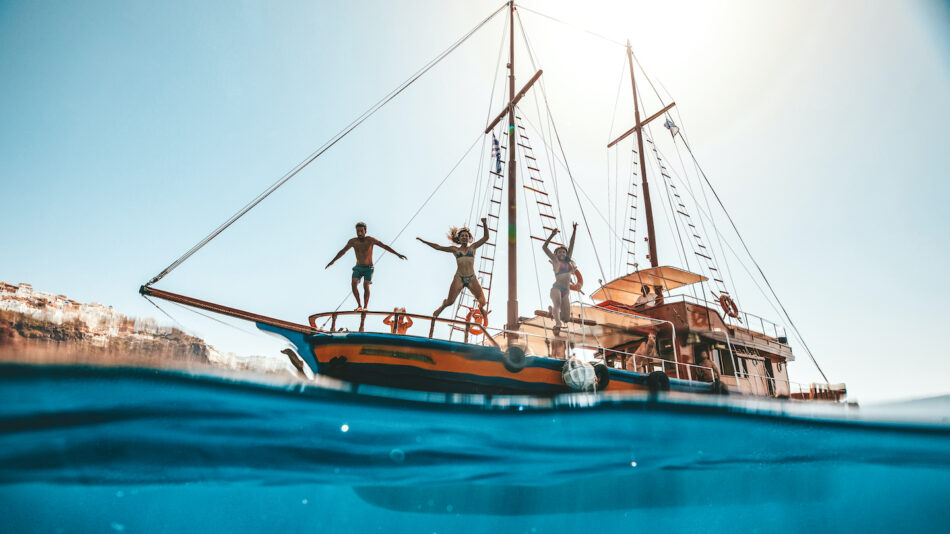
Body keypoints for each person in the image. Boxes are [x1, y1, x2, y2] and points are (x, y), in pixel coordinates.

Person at [417, 218, 490, 320]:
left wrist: (485, 224)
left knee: (483, 302)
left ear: (469, 238)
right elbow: (438, 247)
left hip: (472, 278)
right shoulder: (455, 249)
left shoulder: (473, 247)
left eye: (466, 236)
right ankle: (443, 305)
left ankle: (481, 308)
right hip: (459, 278)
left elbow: (486, 237)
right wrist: (424, 241)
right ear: (459, 239)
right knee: (450, 302)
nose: (464, 237)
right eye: (462, 236)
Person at [326, 222, 406, 310]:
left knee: (365, 285)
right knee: (353, 284)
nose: (359, 233)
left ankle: (365, 307)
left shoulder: (370, 240)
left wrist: (397, 254)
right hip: (358, 268)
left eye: (361, 231)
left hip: (368, 268)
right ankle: (359, 306)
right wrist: (333, 261)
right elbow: (343, 251)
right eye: (357, 231)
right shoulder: (353, 241)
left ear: (365, 231)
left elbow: (384, 246)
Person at [541, 223, 578, 329]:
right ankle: (557, 323)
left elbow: (571, 244)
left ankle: (551, 311)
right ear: (556, 254)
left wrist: (574, 230)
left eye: (563, 252)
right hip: (556, 288)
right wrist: (552, 235)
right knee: (557, 304)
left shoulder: (568, 261)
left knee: (566, 318)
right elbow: (544, 247)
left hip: (566, 290)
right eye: (559, 252)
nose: (562, 253)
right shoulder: (556, 261)